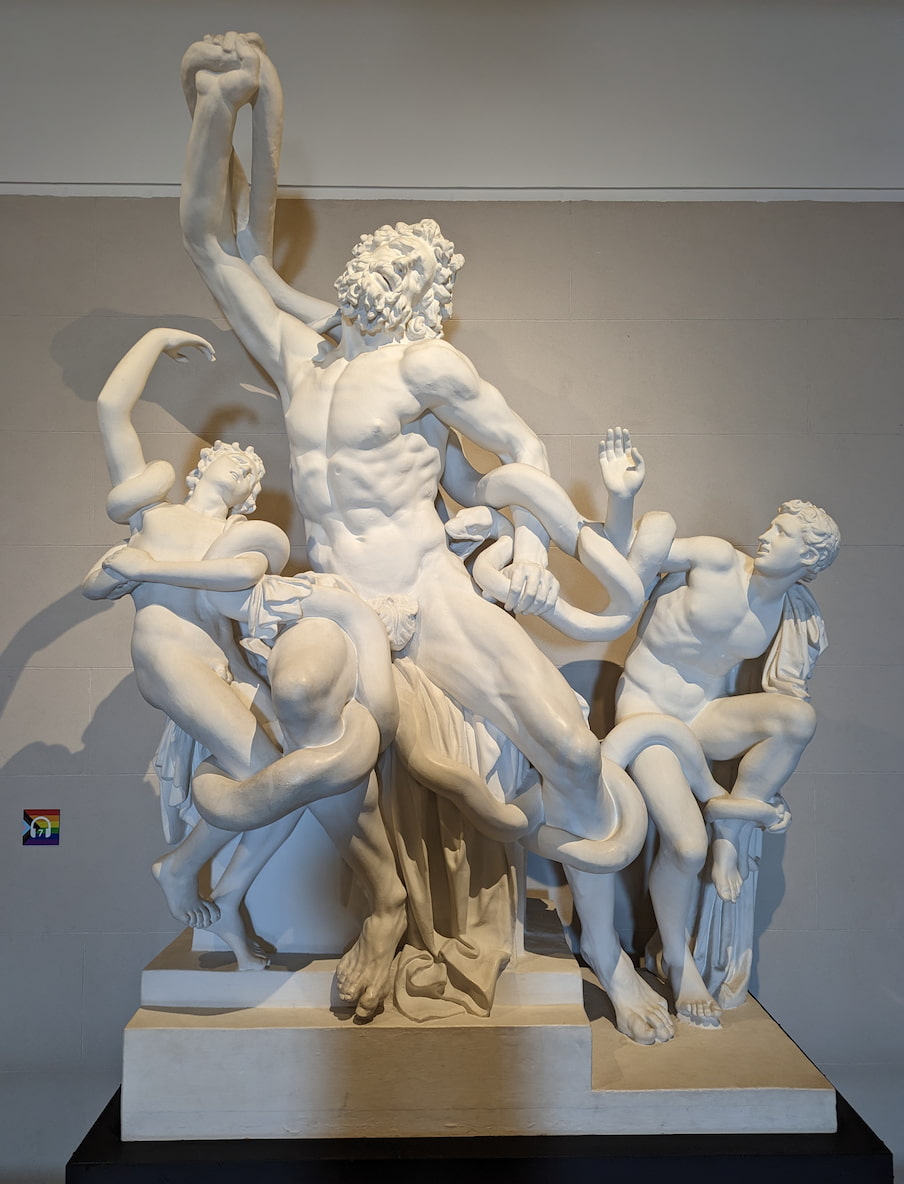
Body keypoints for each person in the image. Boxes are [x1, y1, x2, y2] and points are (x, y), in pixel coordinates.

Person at [177, 33, 734, 1032]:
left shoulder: (424, 366)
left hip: (428, 590)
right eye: (385, 261)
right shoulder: (300, 358)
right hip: (337, 595)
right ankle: (375, 899)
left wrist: (525, 549)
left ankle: (610, 956)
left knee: (570, 746)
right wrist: (217, 107)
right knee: (303, 698)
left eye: (409, 267)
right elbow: (213, 245)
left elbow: (521, 448)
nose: (388, 273)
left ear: (425, 292)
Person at [83, 329, 406, 1012]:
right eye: (227, 457)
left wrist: (149, 570)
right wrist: (153, 340)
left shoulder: (240, 543)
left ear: (247, 498)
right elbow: (112, 408)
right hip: (166, 657)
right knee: (270, 779)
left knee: (283, 779)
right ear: (200, 467)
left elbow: (236, 594)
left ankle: (223, 893)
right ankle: (184, 869)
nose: (236, 464)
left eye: (247, 471)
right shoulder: (151, 515)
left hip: (216, 666)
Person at [613, 498, 840, 1027]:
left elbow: (785, 690)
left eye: (782, 533)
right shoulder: (716, 558)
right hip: (645, 710)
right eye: (772, 525)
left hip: (703, 717)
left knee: (797, 719)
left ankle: (730, 829)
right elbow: (633, 557)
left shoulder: (786, 610)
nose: (765, 536)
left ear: (808, 559)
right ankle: (679, 961)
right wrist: (628, 500)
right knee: (686, 847)